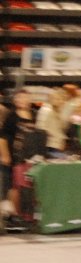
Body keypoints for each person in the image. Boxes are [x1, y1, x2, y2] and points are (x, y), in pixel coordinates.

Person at [0, 90, 36, 229]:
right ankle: (14, 215)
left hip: (29, 156)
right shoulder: (11, 117)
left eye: (25, 97)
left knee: (26, 185)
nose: (22, 100)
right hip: (13, 156)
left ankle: (25, 214)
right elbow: (2, 138)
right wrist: (5, 155)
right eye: (19, 98)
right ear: (15, 101)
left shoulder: (33, 115)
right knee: (14, 186)